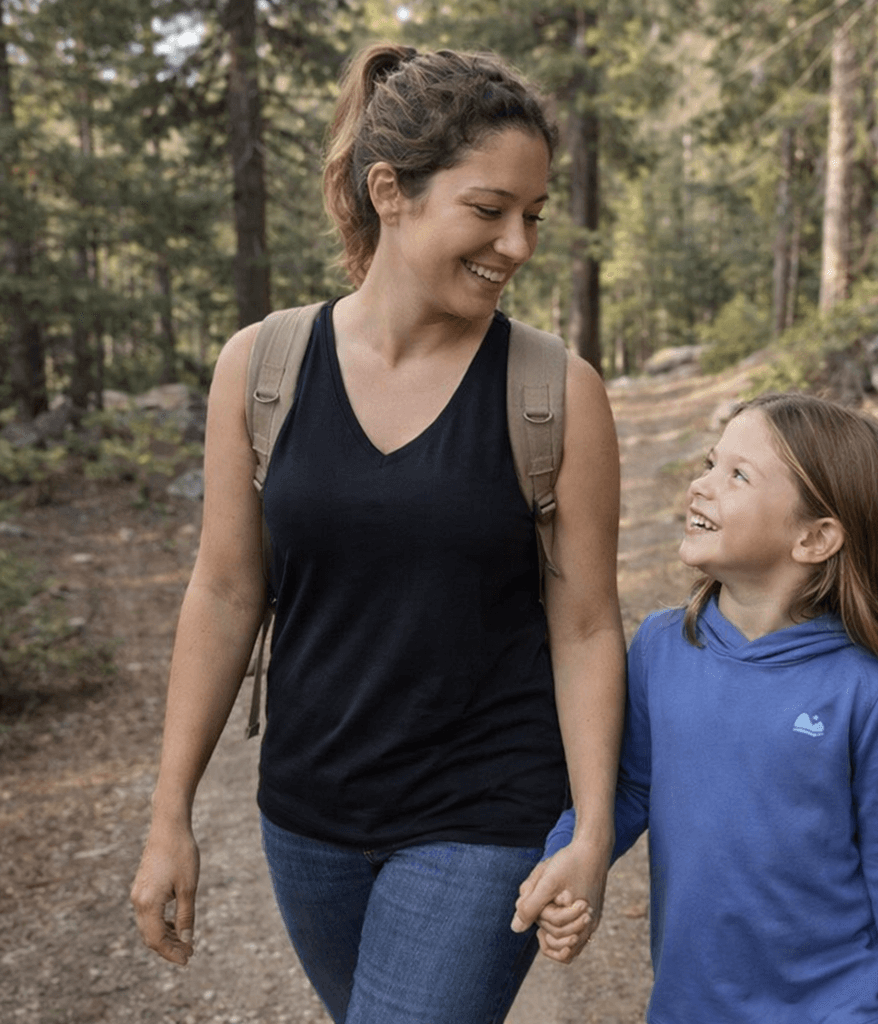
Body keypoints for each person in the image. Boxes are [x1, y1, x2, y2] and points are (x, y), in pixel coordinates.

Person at [130, 43, 624, 1023]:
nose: (518, 245)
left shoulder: (555, 391)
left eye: (532, 215)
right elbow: (225, 591)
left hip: (484, 811)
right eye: (489, 210)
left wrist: (593, 829)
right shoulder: (260, 366)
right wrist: (168, 814)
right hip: (307, 819)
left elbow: (585, 625)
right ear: (390, 191)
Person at [517, 392, 878, 1022]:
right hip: (692, 1004)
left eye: (738, 475)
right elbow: (629, 789)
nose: (700, 485)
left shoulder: (865, 690)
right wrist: (570, 855)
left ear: (814, 538)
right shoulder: (662, 647)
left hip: (838, 1008)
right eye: (710, 462)